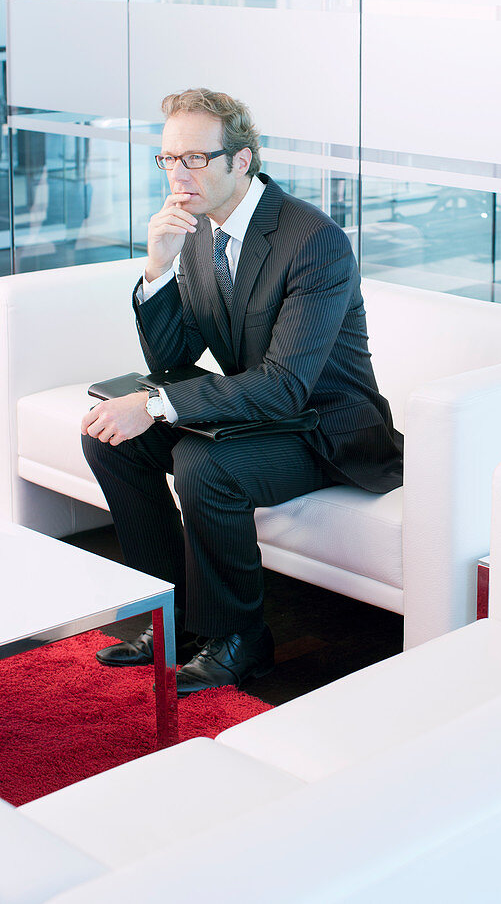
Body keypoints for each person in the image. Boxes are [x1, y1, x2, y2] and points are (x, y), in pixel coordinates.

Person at [81, 89, 403, 697]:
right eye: (169, 159)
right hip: (257, 413)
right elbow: (173, 360)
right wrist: (158, 268)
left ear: (242, 160)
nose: (178, 176)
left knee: (204, 463)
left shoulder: (312, 240)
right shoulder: (199, 230)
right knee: (108, 437)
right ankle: (167, 620)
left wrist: (151, 405)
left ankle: (241, 640)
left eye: (196, 159)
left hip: (324, 428)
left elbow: (284, 386)